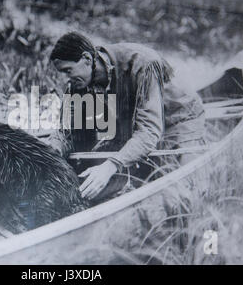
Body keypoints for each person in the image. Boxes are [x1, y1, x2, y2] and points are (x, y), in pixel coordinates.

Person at [48, 32, 205, 203]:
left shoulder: (143, 64)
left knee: (181, 191)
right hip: (133, 121)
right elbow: (67, 132)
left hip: (178, 117)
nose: (66, 79)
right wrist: (51, 150)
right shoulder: (79, 82)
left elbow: (149, 131)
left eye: (67, 71)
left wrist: (110, 165)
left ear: (87, 59)